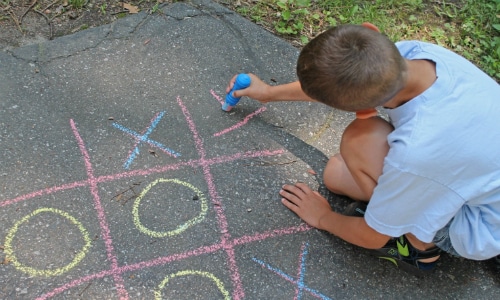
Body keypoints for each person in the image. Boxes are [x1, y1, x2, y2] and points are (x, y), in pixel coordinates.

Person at [226, 23, 500, 273]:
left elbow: (373, 236)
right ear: (372, 31)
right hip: (475, 179)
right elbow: (339, 82)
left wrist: (323, 217)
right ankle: (403, 213)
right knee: (336, 172)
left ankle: (418, 247)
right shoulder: (416, 53)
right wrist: (268, 93)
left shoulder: (417, 151)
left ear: (362, 108)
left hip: (478, 227)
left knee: (360, 139)